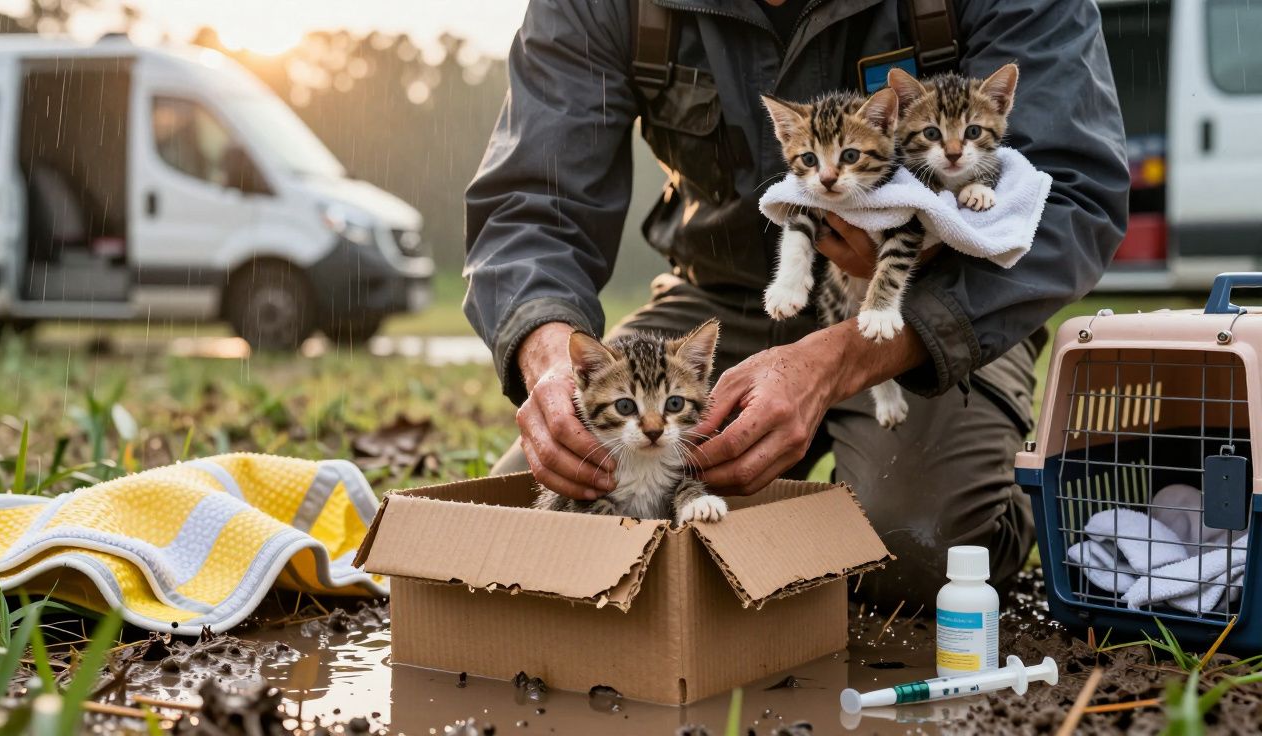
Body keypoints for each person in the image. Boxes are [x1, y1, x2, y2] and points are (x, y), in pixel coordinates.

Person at [463, 0, 1128, 607]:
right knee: (551, 524)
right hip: (718, 299)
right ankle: (780, 530)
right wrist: (548, 357)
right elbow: (532, 208)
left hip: (928, 300)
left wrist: (841, 361)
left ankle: (1034, 486)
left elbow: (1075, 196)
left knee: (924, 547)